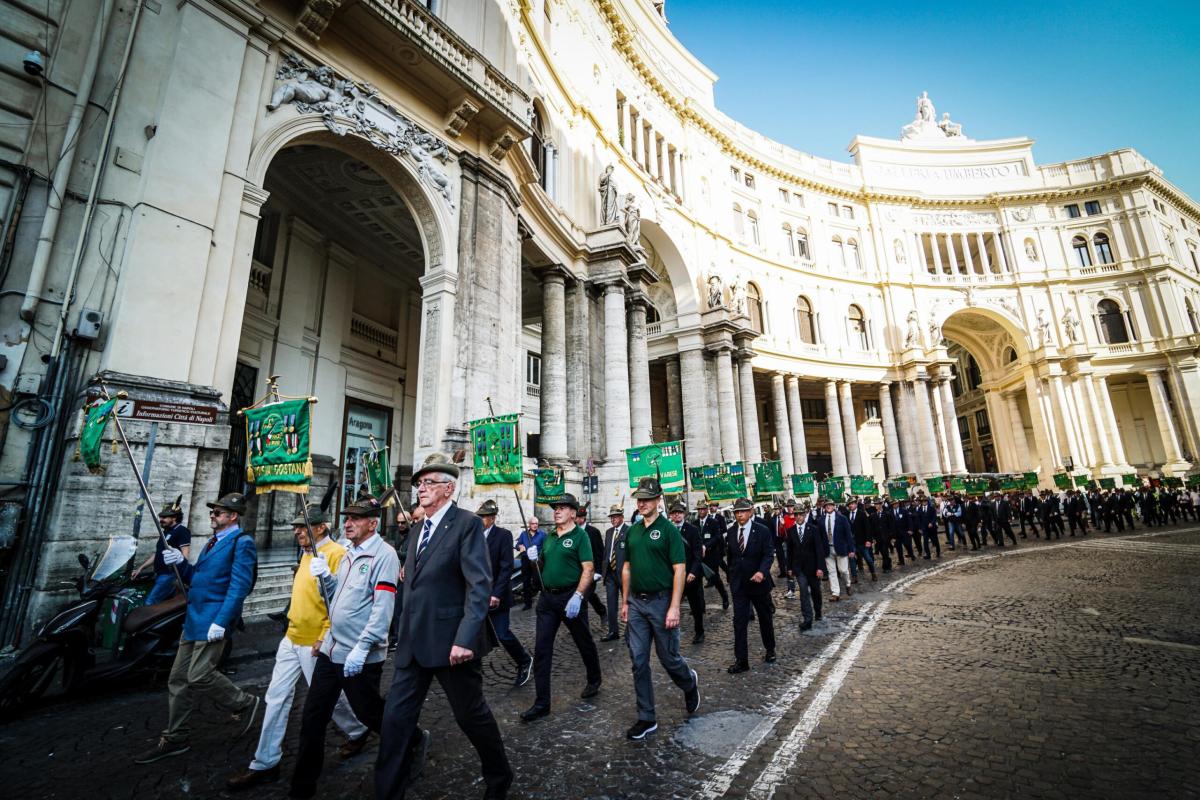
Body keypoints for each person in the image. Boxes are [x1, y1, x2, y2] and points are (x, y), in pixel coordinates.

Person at [376, 453, 512, 800]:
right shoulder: (418, 528)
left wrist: (465, 638)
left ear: (448, 488)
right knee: (394, 723)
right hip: (412, 643)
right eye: (419, 483)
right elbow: (413, 584)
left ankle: (499, 774)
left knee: (471, 716)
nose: (421, 488)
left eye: (429, 483)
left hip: (452, 644)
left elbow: (479, 585)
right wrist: (397, 630)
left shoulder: (466, 524)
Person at [226, 506, 368, 791]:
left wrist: (326, 635)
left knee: (330, 700)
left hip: (316, 641)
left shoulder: (337, 554)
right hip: (291, 637)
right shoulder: (304, 554)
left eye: (303, 527)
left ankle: (358, 728)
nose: (297, 532)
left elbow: (339, 602)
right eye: (296, 527)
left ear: (321, 528)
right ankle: (265, 762)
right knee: (276, 697)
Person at [134, 493, 259, 764]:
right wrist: (180, 564)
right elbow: (196, 579)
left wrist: (223, 621)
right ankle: (176, 736)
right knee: (178, 678)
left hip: (213, 621)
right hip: (193, 619)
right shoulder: (212, 543)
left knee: (200, 675)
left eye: (218, 512)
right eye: (212, 512)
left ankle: (244, 702)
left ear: (232, 516)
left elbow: (239, 587)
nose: (212, 515)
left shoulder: (242, 543)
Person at [289, 496, 400, 799]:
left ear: (373, 523)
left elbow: (382, 607)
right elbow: (337, 598)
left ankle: (410, 740)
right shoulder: (348, 552)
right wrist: (326, 579)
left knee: (370, 714)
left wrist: (364, 646)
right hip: (331, 650)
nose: (348, 524)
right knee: (313, 716)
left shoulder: (385, 555)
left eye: (356, 519)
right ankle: (301, 787)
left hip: (358, 655)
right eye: (347, 518)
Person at [621, 479, 701, 739]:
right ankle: (647, 717)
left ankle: (689, 682)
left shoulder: (668, 531)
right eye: (639, 498)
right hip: (636, 603)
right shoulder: (632, 531)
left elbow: (680, 569)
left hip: (661, 602)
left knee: (669, 659)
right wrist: (624, 602)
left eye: (646, 498)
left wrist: (674, 607)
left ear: (658, 501)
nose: (641, 503)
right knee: (638, 661)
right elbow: (627, 568)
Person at [520, 492, 602, 722]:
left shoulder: (580, 537)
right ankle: (542, 703)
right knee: (542, 649)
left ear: (573, 513)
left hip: (570, 596)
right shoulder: (549, 538)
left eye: (562, 507)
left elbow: (588, 568)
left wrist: (578, 596)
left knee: (583, 641)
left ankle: (594, 678)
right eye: (555, 507)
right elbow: (542, 571)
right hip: (547, 600)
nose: (556, 510)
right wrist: (534, 559)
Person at [477, 499, 532, 688]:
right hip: (477, 596)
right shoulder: (474, 536)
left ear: (492, 518)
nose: (481, 519)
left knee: (503, 634)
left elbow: (506, 567)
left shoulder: (503, 535)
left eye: (484, 517)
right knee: (473, 635)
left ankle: (524, 660)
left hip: (496, 595)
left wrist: (496, 594)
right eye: (479, 516)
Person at [725, 497, 776, 673]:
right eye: (737, 512)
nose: (740, 515)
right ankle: (741, 660)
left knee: (765, 618)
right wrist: (731, 578)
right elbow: (731, 556)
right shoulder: (731, 532)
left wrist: (762, 572)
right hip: (739, 585)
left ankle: (770, 649)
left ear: (751, 511)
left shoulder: (762, 531)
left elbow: (769, 554)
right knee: (739, 621)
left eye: (743, 511)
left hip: (758, 583)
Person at [133, 495, 192, 606]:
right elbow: (157, 554)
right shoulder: (165, 532)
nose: (161, 520)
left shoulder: (182, 531)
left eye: (164, 517)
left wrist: (180, 572)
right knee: (167, 599)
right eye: (161, 517)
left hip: (168, 574)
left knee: (150, 602)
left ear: (174, 517)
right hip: (160, 573)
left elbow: (185, 553)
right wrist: (141, 568)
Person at [667, 500, 706, 644]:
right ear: (670, 515)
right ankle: (670, 633)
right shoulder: (668, 530)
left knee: (695, 607)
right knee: (671, 606)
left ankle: (699, 632)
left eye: (679, 512)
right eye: (673, 513)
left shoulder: (692, 530)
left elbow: (697, 553)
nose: (676, 515)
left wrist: (693, 572)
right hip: (673, 576)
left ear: (683, 514)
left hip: (690, 575)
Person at [785, 501, 826, 631]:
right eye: (796, 515)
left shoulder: (813, 529)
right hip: (799, 568)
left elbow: (819, 549)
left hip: (813, 567)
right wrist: (789, 568)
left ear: (805, 514)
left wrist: (820, 568)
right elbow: (789, 551)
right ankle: (807, 619)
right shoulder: (791, 531)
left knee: (815, 591)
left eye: (800, 514)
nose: (798, 517)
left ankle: (818, 610)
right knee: (803, 591)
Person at [599, 504, 628, 642]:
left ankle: (629, 632)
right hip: (610, 572)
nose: (613, 519)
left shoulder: (629, 531)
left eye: (615, 517)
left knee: (628, 603)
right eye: (611, 517)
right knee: (611, 604)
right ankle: (613, 631)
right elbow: (606, 552)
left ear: (622, 517)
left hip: (623, 573)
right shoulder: (609, 532)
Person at [576, 504, 608, 625]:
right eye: (576, 517)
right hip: (577, 571)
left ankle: (601, 612)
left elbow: (600, 552)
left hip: (591, 571)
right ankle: (578, 622)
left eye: (580, 517)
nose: (577, 519)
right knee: (581, 595)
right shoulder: (573, 531)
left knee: (585, 596)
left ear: (584, 517)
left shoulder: (593, 532)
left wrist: (599, 571)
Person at [820, 498, 854, 600]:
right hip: (827, 549)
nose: (828, 507)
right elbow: (820, 536)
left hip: (840, 547)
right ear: (824, 507)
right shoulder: (821, 520)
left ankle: (848, 584)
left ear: (834, 506)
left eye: (830, 505)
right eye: (826, 505)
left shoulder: (842, 518)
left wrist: (851, 550)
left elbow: (848, 534)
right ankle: (835, 593)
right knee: (831, 572)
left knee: (843, 570)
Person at [699, 500, 731, 609]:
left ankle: (724, 596)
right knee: (697, 582)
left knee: (715, 579)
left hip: (711, 555)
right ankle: (700, 605)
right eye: (699, 509)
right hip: (699, 557)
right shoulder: (694, 523)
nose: (701, 511)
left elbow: (717, 537)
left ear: (706, 510)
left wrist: (706, 546)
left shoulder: (713, 522)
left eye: (703, 509)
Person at [515, 517, 545, 609]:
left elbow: (546, 547)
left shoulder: (542, 535)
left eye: (536, 523)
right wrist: (519, 547)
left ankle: (544, 601)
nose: (535, 525)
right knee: (526, 581)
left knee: (538, 581)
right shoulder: (524, 534)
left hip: (537, 560)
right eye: (533, 523)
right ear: (529, 524)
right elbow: (517, 545)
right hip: (525, 559)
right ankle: (528, 604)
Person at [847, 498, 876, 582]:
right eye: (849, 504)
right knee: (852, 559)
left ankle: (873, 573)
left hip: (862, 541)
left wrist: (868, 540)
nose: (851, 505)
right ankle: (854, 577)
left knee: (868, 558)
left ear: (856, 504)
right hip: (852, 543)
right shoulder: (847, 514)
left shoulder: (862, 514)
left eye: (852, 504)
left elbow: (868, 528)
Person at [913, 494, 940, 559]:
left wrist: (931, 523)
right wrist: (919, 528)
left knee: (935, 540)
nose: (924, 502)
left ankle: (938, 551)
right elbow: (918, 519)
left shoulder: (931, 508)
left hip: (932, 528)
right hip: (924, 529)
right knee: (925, 542)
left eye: (925, 501)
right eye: (922, 501)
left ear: (927, 501)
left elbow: (934, 517)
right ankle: (928, 555)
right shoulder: (919, 509)